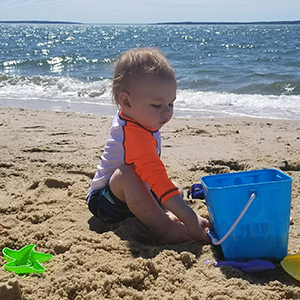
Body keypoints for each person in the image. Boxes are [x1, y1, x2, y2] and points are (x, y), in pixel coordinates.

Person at [86, 47, 211, 244]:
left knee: (174, 188)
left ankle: (162, 213)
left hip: (132, 195)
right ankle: (164, 227)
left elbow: (153, 175)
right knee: (127, 173)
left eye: (171, 104)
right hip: (106, 202)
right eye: (156, 105)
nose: (166, 112)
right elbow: (154, 175)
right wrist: (189, 216)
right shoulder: (131, 133)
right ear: (126, 101)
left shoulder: (137, 116)